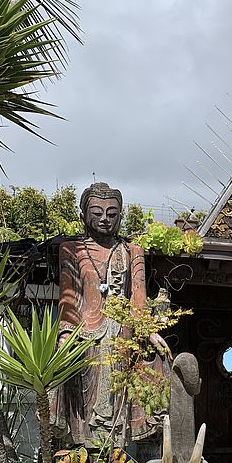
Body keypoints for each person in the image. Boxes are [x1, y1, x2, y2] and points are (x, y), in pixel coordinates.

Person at [51, 182, 169, 448]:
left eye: (112, 214)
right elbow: (68, 298)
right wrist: (65, 333)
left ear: (120, 216)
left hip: (120, 338)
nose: (105, 219)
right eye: (97, 212)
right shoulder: (72, 249)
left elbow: (138, 297)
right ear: (83, 215)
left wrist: (148, 330)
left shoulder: (131, 251)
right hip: (85, 337)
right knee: (85, 410)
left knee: (118, 403)